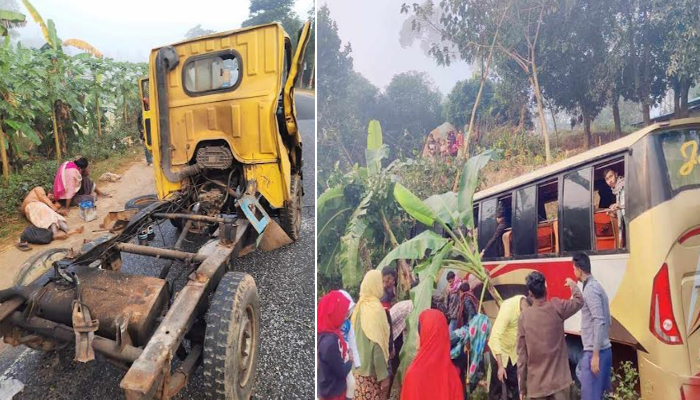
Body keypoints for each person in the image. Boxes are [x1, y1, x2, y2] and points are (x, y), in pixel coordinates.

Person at [517, 272, 584, 400]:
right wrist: (573, 285)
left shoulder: (524, 318)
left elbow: (522, 357)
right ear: (545, 289)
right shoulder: (556, 307)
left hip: (537, 387)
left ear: (530, 293)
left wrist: (522, 388)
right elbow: (579, 301)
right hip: (559, 384)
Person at [573, 253, 612, 400]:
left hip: (595, 353)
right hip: (604, 350)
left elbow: (599, 320)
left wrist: (595, 355)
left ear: (579, 270)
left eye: (573, 268)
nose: (573, 272)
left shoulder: (590, 290)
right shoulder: (598, 287)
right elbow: (607, 319)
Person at [400, 309, 463, 400]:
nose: (417, 336)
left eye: (419, 332)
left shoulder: (413, 375)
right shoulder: (453, 376)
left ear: (425, 334)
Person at [352, 270, 391, 400]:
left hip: (356, 374)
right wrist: (383, 376)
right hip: (369, 375)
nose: (383, 285)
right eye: (380, 282)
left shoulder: (359, 307)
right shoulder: (374, 309)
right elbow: (377, 344)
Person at [488, 293, 529, 400]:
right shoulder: (508, 308)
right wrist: (500, 366)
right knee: (496, 388)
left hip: (513, 353)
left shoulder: (527, 308)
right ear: (525, 308)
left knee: (514, 385)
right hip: (499, 352)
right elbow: (495, 336)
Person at [16, 187, 84, 250]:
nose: (51, 199)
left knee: (55, 216)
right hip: (32, 205)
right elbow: (44, 198)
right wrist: (55, 209)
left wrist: (57, 211)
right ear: (49, 192)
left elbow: (49, 204)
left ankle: (67, 230)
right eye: (52, 197)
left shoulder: (42, 202)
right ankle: (55, 233)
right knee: (49, 213)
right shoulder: (38, 189)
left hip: (35, 208)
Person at [318, 291, 353, 400]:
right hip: (333, 392)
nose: (344, 317)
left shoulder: (323, 332)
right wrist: (350, 361)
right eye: (342, 313)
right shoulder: (330, 342)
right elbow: (341, 371)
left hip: (325, 388)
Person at [603, 168, 625, 247]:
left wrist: (619, 205)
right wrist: (613, 214)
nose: (610, 181)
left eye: (611, 176)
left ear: (616, 174)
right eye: (607, 179)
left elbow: (632, 203)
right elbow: (622, 214)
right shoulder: (616, 190)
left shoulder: (624, 185)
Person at [137, 97, 153, 166]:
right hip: (144, 131)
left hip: (152, 130)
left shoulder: (152, 109)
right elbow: (138, 122)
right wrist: (141, 130)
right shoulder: (142, 112)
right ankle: (149, 161)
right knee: (146, 145)